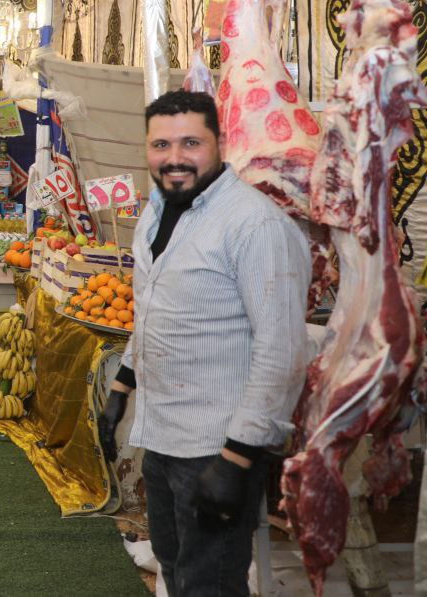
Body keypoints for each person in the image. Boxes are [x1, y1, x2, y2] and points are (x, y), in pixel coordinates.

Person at [96, 90, 309, 597]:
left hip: (217, 448)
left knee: (210, 584)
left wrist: (237, 458)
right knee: (175, 569)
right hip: (161, 438)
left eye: (191, 142)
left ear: (220, 142)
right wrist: (122, 386)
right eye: (161, 144)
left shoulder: (255, 225)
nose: (175, 157)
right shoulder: (156, 213)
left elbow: (282, 352)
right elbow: (154, 313)